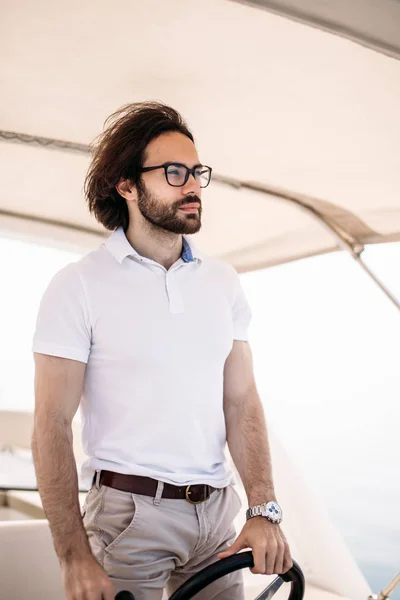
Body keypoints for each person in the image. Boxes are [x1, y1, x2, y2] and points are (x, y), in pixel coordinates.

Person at [31, 101, 292, 600]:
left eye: (196, 172)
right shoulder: (78, 285)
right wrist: (73, 555)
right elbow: (50, 424)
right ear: (126, 185)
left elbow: (242, 402)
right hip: (129, 519)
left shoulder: (223, 281)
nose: (192, 185)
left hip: (217, 517)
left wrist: (261, 508)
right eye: (174, 172)